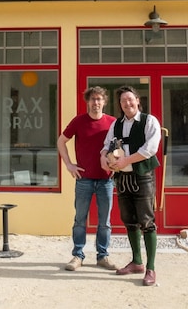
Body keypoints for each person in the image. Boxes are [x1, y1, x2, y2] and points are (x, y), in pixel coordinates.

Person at [100, 85, 162, 287]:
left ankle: (150, 267)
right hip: (122, 178)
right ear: (120, 105)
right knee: (129, 221)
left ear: (137, 100)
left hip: (142, 176)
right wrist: (103, 158)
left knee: (147, 222)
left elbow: (150, 149)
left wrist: (128, 161)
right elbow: (107, 144)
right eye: (123, 101)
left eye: (130, 99)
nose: (127, 103)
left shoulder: (149, 121)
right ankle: (137, 262)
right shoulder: (116, 124)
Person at [57, 86, 119, 272]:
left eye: (99, 99)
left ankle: (103, 256)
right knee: (80, 219)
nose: (96, 103)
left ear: (104, 102)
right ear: (87, 102)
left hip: (106, 180)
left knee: (105, 222)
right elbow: (61, 141)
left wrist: (118, 165)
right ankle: (78, 255)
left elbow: (120, 146)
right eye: (92, 99)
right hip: (83, 179)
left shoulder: (112, 122)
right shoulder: (79, 121)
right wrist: (69, 164)